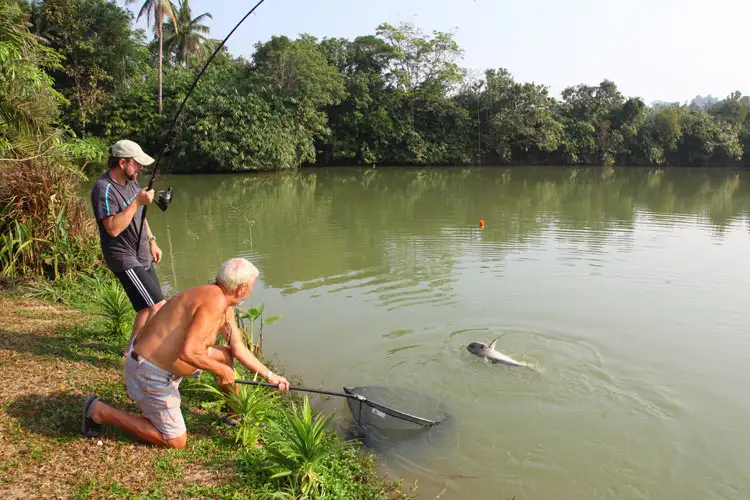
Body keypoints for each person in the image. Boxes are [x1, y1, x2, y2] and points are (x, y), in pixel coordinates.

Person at [80, 257, 290, 448]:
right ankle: (99, 411)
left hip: (162, 362)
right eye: (252, 286)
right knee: (175, 441)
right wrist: (222, 371)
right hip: (148, 371)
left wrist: (271, 376)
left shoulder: (223, 302)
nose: (252, 290)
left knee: (225, 355)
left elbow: (237, 348)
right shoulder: (214, 301)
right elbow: (189, 352)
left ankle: (234, 417)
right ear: (241, 289)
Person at [90, 139, 166, 353]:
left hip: (142, 252)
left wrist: (152, 241)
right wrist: (137, 202)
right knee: (159, 306)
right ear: (122, 163)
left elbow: (141, 216)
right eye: (136, 163)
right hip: (123, 257)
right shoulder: (103, 189)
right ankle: (150, 353)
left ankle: (131, 351)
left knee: (145, 307)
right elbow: (112, 228)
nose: (140, 168)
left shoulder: (132, 182)